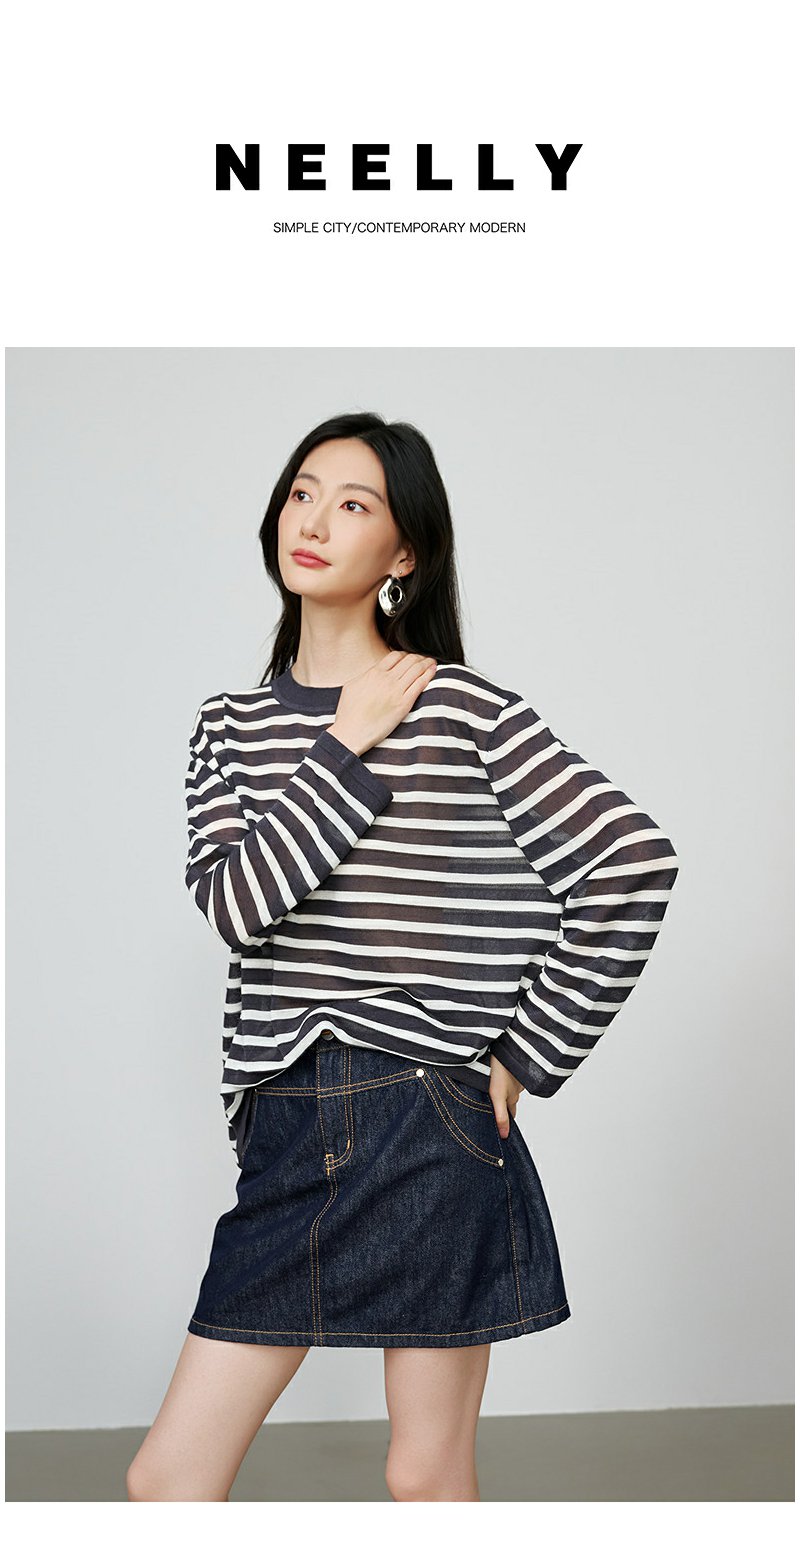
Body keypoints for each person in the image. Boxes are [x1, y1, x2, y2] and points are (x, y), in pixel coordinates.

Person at [127, 411, 679, 1503]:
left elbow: (631, 860)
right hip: (287, 1123)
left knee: (426, 1475)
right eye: (301, 492)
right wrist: (347, 741)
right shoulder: (228, 728)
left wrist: (525, 1052)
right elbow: (240, 908)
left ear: (405, 552)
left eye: (353, 504)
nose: (313, 520)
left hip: (424, 1116)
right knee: (167, 1483)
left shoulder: (461, 707)